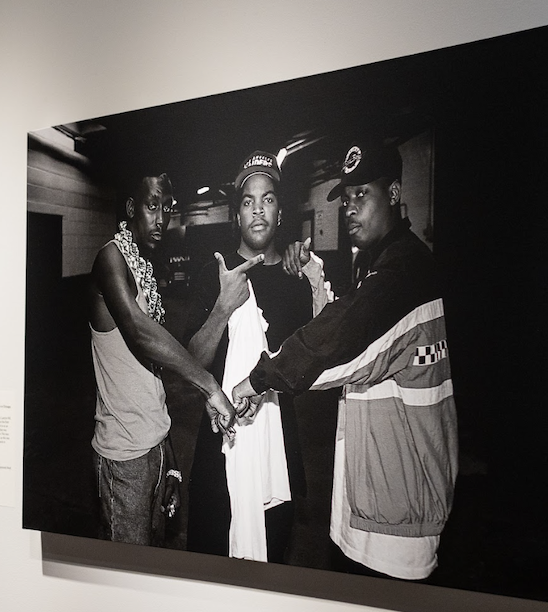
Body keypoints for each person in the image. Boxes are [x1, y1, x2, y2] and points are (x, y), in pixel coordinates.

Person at [233, 140, 459, 580]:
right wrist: (317, 275)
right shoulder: (381, 265)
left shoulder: (404, 272)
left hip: (399, 517)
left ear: (393, 194)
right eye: (346, 198)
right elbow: (349, 333)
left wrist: (257, 378)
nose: (351, 209)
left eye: (363, 195)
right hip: (378, 494)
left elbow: (339, 346)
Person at [89, 173, 236, 546]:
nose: (161, 218)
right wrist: (209, 384)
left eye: (166, 208)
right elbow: (140, 334)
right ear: (131, 208)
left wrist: (169, 463)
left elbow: (151, 377)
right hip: (124, 458)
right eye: (152, 205)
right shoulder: (110, 259)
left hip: (154, 451)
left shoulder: (144, 268)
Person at [184, 151, 316, 562]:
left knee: (270, 573)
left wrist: (310, 273)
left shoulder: (297, 281)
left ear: (280, 213)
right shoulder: (215, 275)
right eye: (247, 201)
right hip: (219, 446)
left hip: (276, 448)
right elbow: (192, 362)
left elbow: (313, 367)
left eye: (268, 198)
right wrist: (223, 307)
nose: (258, 209)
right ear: (237, 216)